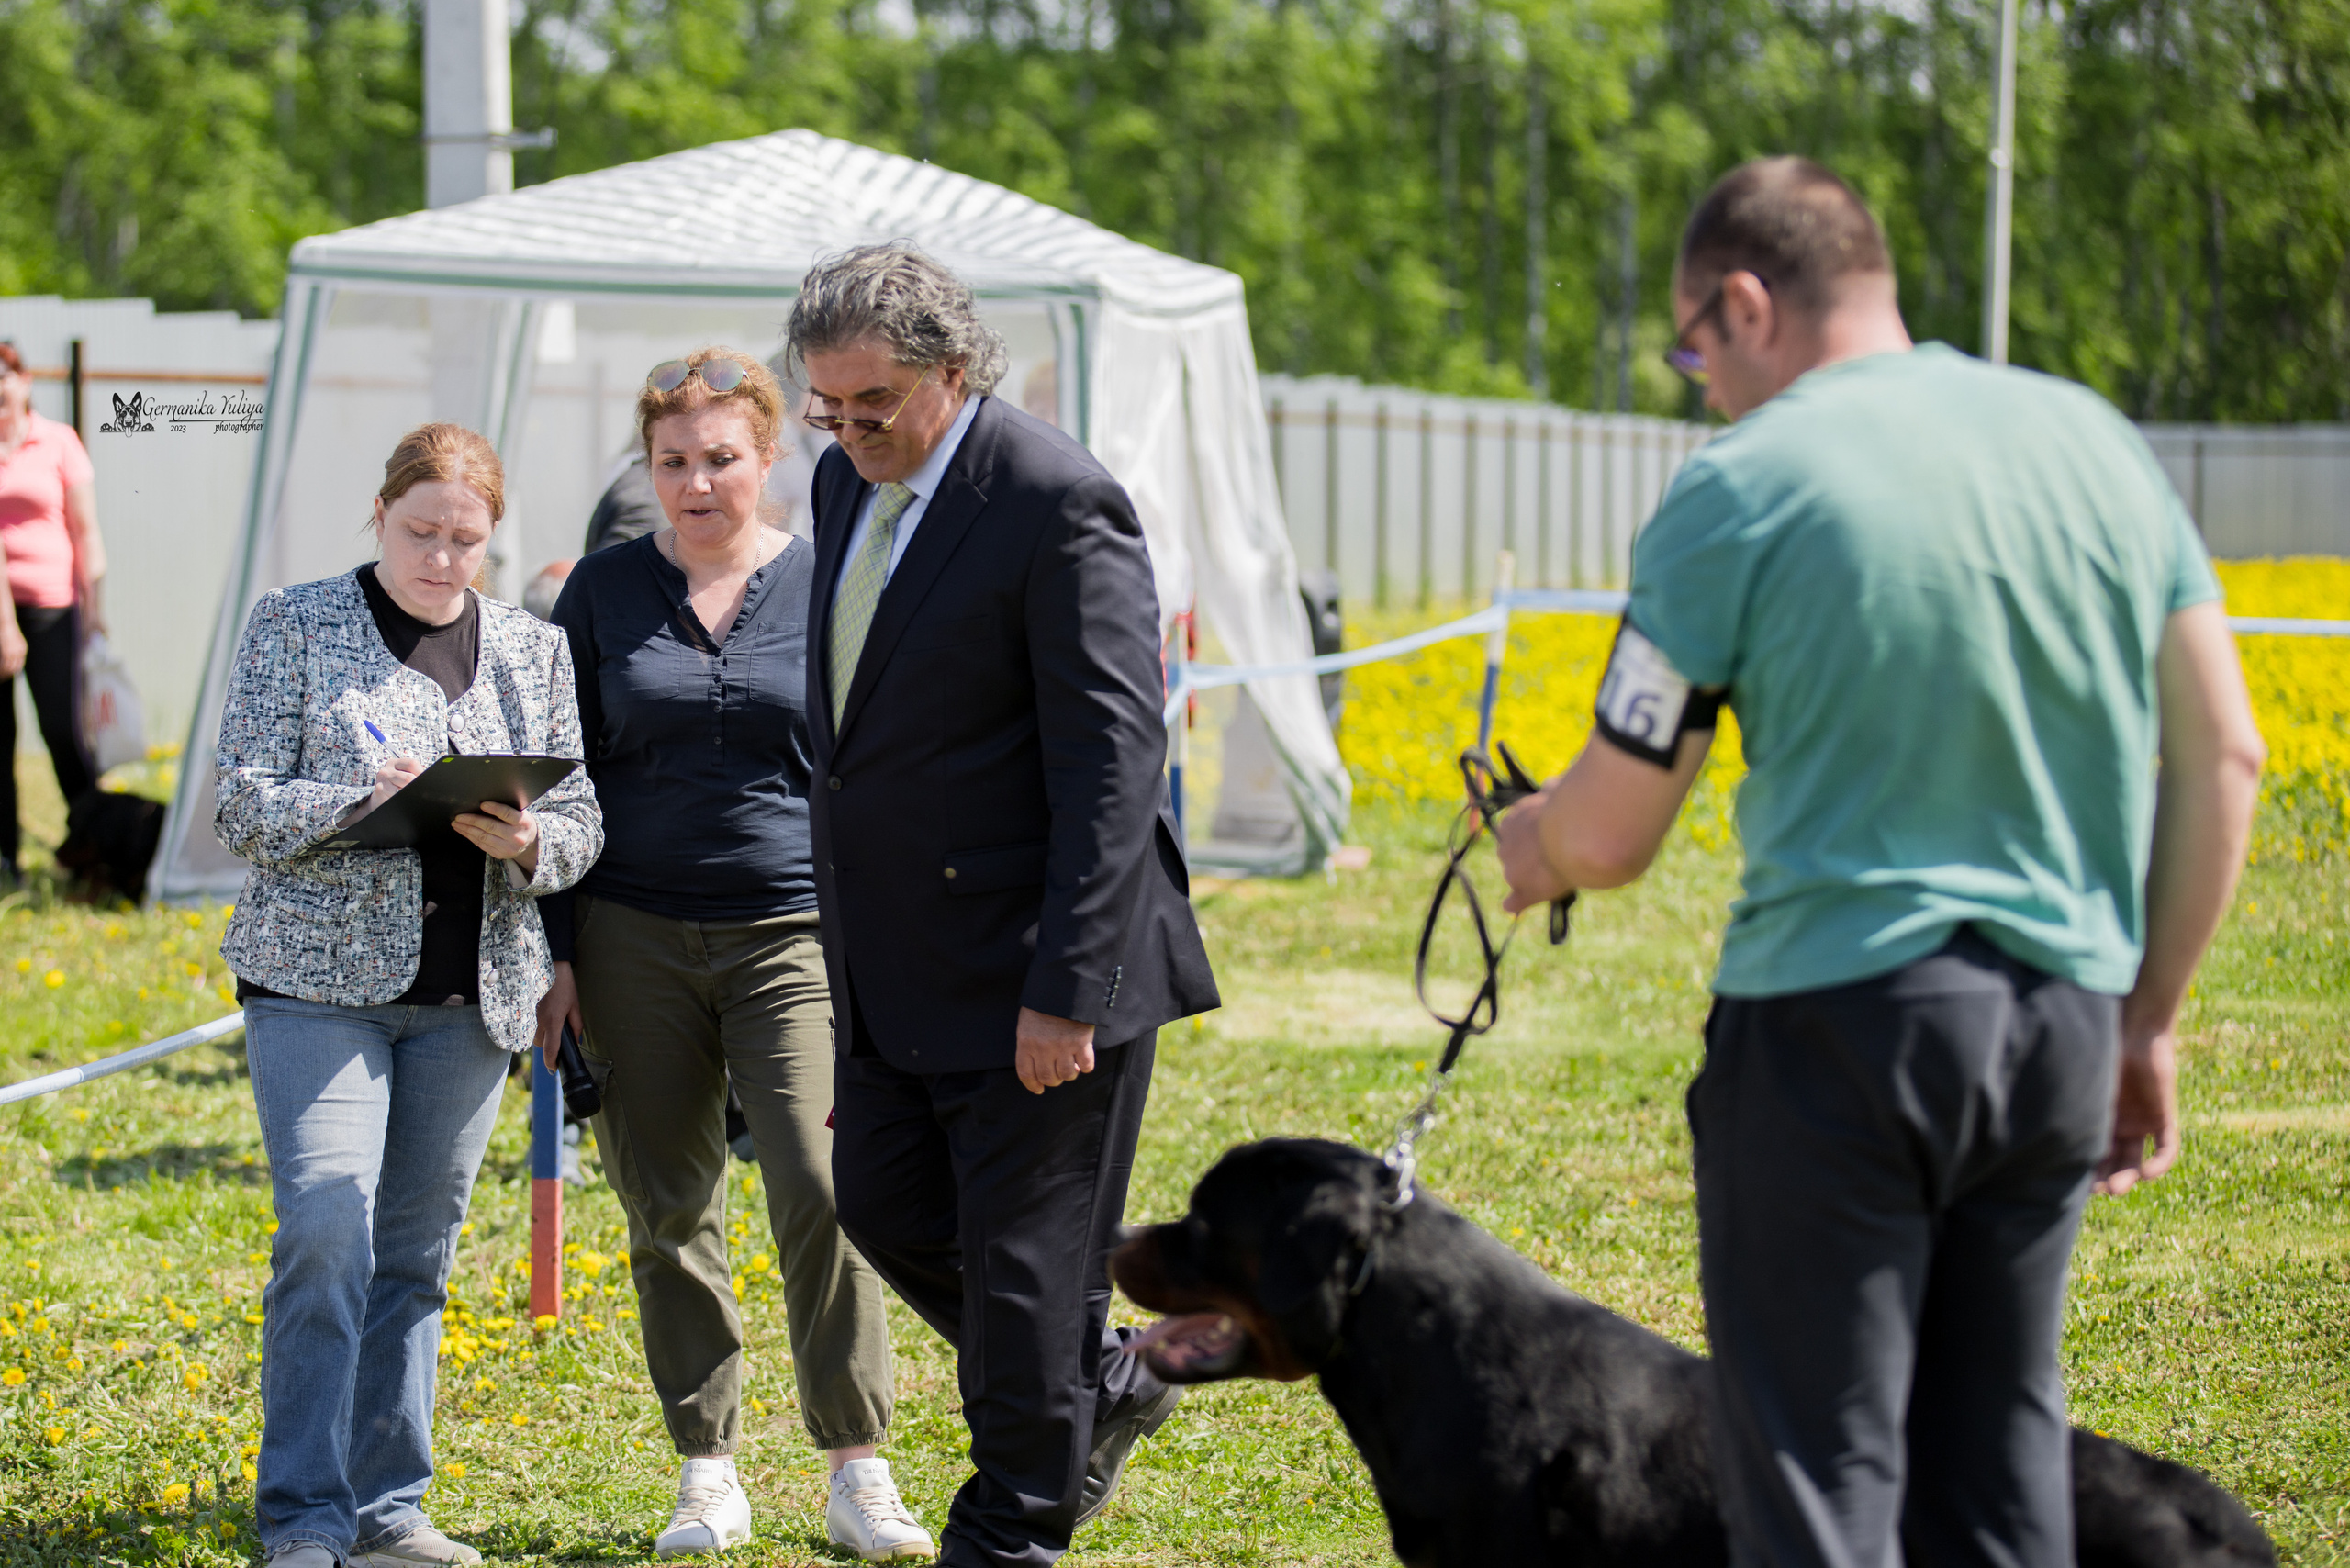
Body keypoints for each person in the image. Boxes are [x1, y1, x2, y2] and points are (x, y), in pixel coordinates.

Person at [1494, 157, 2266, 1568]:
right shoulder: (2090, 437)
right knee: (1998, 1462)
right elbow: (2227, 756)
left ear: (1743, 302)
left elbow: (1609, 832)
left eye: (1690, 350)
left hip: (1838, 1035)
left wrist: (1530, 840)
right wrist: (2146, 1021)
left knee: (1820, 1477)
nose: (1698, 387)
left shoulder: (1738, 484)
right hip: (2058, 1031)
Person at [792, 243, 1220, 1568]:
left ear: (954, 372)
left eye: (875, 405)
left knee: (1027, 1288)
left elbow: (1113, 766)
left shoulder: (1055, 500)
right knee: (878, 1200)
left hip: (1036, 968)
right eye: (829, 405)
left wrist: (1066, 991)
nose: (850, 431)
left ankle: (1014, 1524)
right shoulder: (837, 482)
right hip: (895, 967)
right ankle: (1089, 1389)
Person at [534, 347, 930, 1562]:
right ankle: (708, 1471)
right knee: (671, 1209)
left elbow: (885, 771)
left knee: (827, 1190)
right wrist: (556, 958)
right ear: (646, 469)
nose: (697, 483)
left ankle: (856, 1467)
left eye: (721, 459)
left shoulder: (832, 582)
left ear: (770, 459)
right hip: (628, 939)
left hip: (799, 937)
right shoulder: (597, 596)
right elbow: (555, 781)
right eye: (673, 463)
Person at [213, 422, 604, 1568]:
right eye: (419, 532)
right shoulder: (293, 622)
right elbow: (239, 801)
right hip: (315, 987)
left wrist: (530, 841)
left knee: (415, 1255)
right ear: (378, 515)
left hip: (470, 1000)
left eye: (466, 540)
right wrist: (350, 802)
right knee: (329, 1223)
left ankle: (387, 1510)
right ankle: (301, 1514)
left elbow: (583, 824)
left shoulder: (534, 650)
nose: (441, 558)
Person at [0, 339, 106, 884]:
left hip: (51, 605)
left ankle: (96, 846)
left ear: (25, 380)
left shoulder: (57, 441)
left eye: (5, 373)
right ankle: (5, 860)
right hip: (0, 608)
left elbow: (86, 532)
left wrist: (95, 611)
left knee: (63, 730)